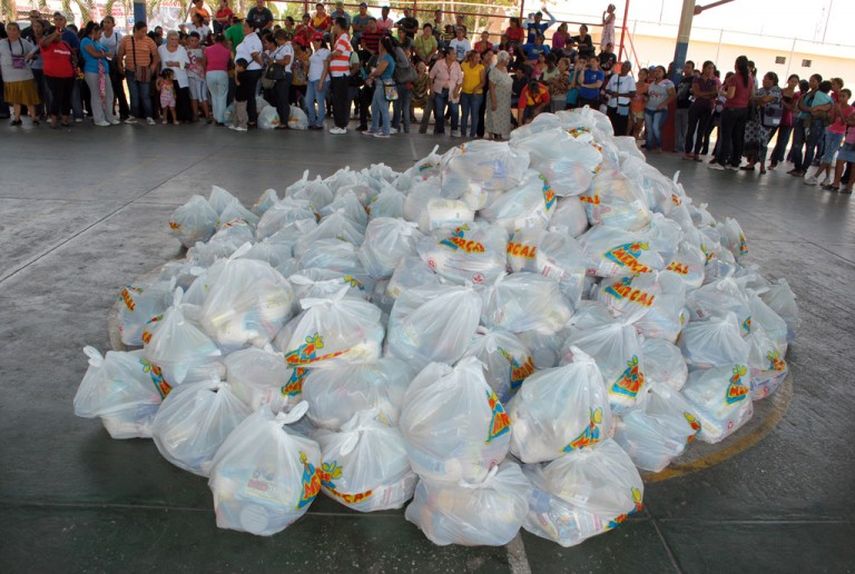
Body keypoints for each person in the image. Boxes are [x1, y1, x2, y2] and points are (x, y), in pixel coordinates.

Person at [709, 56, 752, 169]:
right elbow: (751, 95)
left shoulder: (735, 78)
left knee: (726, 136)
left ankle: (721, 162)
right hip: (743, 110)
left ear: (736, 65)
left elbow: (730, 95)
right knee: (737, 137)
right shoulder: (750, 79)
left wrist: (721, 92)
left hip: (731, 109)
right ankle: (735, 163)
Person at [788, 74, 832, 178]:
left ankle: (803, 169)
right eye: (810, 80)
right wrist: (810, 109)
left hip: (814, 123)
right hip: (801, 119)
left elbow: (828, 107)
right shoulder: (806, 94)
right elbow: (800, 105)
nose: (810, 82)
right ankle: (797, 167)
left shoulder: (822, 95)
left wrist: (812, 109)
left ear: (819, 83)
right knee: (796, 145)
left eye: (813, 81)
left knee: (810, 147)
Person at [117, 21, 159, 125]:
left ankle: (149, 116)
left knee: (145, 95)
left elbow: (155, 56)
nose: (144, 33)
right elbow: (120, 53)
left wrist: (153, 67)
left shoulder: (149, 41)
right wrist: (119, 65)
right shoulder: (126, 40)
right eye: (142, 31)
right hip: (130, 71)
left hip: (144, 71)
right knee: (134, 95)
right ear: (136, 29)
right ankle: (133, 115)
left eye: (145, 31)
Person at [742, 71, 782, 174]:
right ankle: (752, 162)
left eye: (765, 78)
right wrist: (760, 100)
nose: (763, 80)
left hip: (767, 122)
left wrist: (758, 100)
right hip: (755, 120)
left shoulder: (776, 90)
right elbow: (753, 99)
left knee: (763, 142)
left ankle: (762, 165)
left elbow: (765, 100)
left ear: (772, 80)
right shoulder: (761, 90)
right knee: (754, 142)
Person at [809, 84, 850, 186]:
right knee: (828, 155)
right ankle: (827, 178)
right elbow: (831, 121)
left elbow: (844, 122)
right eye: (840, 96)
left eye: (843, 96)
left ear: (848, 97)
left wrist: (840, 111)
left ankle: (815, 176)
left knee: (829, 154)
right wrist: (833, 113)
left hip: (839, 134)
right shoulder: (836, 106)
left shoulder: (850, 109)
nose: (841, 98)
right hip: (830, 131)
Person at [0, 22, 40, 126]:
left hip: (25, 75)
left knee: (29, 98)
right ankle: (17, 118)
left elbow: (35, 53)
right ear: (6, 31)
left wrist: (29, 56)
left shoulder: (24, 42)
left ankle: (34, 118)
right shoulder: (1, 43)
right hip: (8, 76)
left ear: (18, 31)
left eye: (14, 29)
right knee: (15, 99)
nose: (11, 32)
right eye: (9, 29)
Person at [79, 21, 117, 127]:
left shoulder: (98, 43)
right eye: (99, 33)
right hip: (92, 71)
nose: (101, 35)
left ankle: (109, 117)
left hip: (104, 71)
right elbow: (94, 54)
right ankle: (98, 118)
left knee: (109, 94)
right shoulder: (85, 41)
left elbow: (110, 54)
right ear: (93, 31)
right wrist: (104, 54)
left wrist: (103, 54)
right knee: (96, 95)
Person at [40, 25, 75, 128]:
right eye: (57, 35)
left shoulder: (65, 44)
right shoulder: (46, 44)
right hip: (53, 75)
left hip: (68, 75)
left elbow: (72, 55)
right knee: (57, 97)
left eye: (60, 35)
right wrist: (54, 34)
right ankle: (54, 119)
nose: (59, 36)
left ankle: (65, 119)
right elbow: (44, 43)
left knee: (66, 97)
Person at [684, 60, 718, 161]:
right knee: (691, 129)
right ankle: (687, 151)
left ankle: (696, 153)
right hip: (696, 106)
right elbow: (696, 93)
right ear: (704, 68)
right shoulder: (697, 79)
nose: (710, 70)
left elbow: (715, 94)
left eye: (712, 68)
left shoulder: (713, 81)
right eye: (709, 68)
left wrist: (703, 94)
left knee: (701, 131)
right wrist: (708, 94)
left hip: (707, 108)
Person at [363, 36, 396, 138]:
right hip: (384, 83)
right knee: (375, 107)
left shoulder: (386, 58)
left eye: (379, 44)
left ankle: (385, 131)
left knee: (383, 108)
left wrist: (369, 76)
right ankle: (375, 128)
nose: (378, 46)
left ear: (383, 45)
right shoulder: (385, 57)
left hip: (383, 84)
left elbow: (379, 71)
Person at [234, 20, 264, 125]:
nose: (243, 28)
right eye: (243, 26)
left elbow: (254, 54)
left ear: (252, 28)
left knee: (248, 96)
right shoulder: (249, 38)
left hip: (251, 70)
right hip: (249, 70)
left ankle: (251, 119)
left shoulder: (251, 38)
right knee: (248, 95)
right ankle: (249, 118)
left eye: (246, 26)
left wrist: (261, 65)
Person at [98, 16, 128, 121]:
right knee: (105, 88)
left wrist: (119, 64)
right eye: (104, 22)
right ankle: (109, 111)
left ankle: (124, 112)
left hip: (114, 63)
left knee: (118, 88)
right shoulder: (100, 35)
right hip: (103, 63)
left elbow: (120, 51)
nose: (106, 24)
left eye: (108, 22)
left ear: (113, 24)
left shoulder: (117, 35)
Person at [825, 91, 855, 193]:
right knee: (840, 160)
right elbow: (848, 121)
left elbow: (849, 121)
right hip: (849, 139)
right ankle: (835, 183)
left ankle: (849, 187)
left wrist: (844, 115)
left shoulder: (851, 109)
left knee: (854, 165)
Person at [158, 31, 192, 122]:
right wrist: (159, 76)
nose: (174, 41)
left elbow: (187, 65)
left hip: (180, 78)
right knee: (167, 98)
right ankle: (169, 118)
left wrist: (175, 64)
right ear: (167, 39)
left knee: (182, 97)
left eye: (176, 39)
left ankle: (184, 117)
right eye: (172, 39)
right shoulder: (161, 49)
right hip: (166, 79)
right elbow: (158, 62)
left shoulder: (181, 49)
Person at [429, 47, 463, 135]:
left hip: (452, 90)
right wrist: (431, 88)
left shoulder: (457, 65)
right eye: (453, 54)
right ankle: (440, 130)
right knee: (439, 112)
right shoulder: (439, 63)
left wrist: (457, 90)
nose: (455, 55)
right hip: (439, 90)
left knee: (454, 111)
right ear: (447, 55)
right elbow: (431, 76)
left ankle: (454, 130)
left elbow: (460, 80)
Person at [769, 74, 799, 170]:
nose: (793, 83)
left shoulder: (796, 95)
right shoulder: (781, 91)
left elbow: (792, 108)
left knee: (781, 142)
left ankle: (774, 162)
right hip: (775, 116)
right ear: (788, 81)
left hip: (786, 119)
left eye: (795, 82)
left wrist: (782, 101)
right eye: (792, 81)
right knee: (768, 136)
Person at [328, 17, 353, 134]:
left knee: (339, 100)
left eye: (334, 25)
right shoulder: (340, 38)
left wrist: (330, 55)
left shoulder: (343, 37)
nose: (333, 27)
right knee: (338, 100)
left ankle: (341, 126)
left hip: (340, 75)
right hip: (338, 75)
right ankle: (339, 124)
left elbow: (338, 52)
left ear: (338, 25)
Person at [644, 65, 675, 152]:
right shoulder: (652, 84)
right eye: (655, 71)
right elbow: (649, 95)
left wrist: (663, 104)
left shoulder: (667, 83)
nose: (657, 73)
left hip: (660, 109)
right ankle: (649, 146)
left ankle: (659, 145)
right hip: (648, 108)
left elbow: (673, 95)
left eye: (659, 71)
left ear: (664, 73)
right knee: (649, 128)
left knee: (655, 127)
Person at [485, 49, 513, 140]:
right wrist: (494, 101)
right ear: (502, 60)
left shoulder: (505, 69)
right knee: (494, 117)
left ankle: (500, 133)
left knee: (503, 118)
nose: (508, 61)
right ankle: (494, 134)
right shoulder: (494, 71)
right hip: (497, 98)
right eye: (507, 59)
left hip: (505, 100)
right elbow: (491, 87)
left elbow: (506, 81)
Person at [205, 32, 231, 124]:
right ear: (223, 41)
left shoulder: (207, 49)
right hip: (222, 73)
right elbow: (229, 63)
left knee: (214, 95)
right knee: (222, 96)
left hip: (210, 73)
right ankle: (221, 119)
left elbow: (205, 62)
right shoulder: (227, 51)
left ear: (214, 40)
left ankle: (216, 117)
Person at [304, 32, 329, 129]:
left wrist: (321, 82)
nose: (313, 44)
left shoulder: (325, 52)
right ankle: (312, 121)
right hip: (311, 79)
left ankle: (319, 123)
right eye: (313, 42)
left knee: (320, 101)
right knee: (308, 101)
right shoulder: (315, 53)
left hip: (320, 79)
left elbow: (326, 68)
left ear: (320, 42)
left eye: (315, 42)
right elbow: (309, 64)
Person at [459, 50, 486, 138]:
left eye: (479, 57)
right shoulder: (464, 65)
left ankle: (472, 134)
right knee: (464, 114)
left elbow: (483, 82)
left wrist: (476, 89)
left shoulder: (481, 67)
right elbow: (459, 77)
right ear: (471, 58)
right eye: (476, 57)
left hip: (476, 94)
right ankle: (463, 133)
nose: (478, 59)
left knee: (474, 115)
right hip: (465, 93)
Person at [604, 60, 635, 135]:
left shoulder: (630, 79)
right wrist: (612, 93)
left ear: (629, 69)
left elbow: (632, 94)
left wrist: (619, 95)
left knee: (621, 124)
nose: (624, 67)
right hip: (612, 104)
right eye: (623, 65)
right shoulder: (614, 77)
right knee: (610, 123)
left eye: (627, 66)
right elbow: (607, 89)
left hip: (623, 105)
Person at [186, 32, 210, 122]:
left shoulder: (203, 49)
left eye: (196, 41)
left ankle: (207, 115)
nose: (194, 43)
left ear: (199, 40)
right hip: (190, 75)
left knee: (203, 96)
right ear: (189, 40)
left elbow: (204, 62)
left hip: (201, 77)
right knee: (194, 96)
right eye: (192, 40)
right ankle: (196, 115)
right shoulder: (185, 49)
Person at [673, 60, 695, 153]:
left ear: (692, 69)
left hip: (688, 107)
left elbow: (695, 94)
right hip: (679, 106)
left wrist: (691, 102)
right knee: (678, 128)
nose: (686, 69)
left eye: (688, 67)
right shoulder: (682, 80)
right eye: (685, 67)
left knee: (685, 128)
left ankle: (686, 147)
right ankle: (678, 146)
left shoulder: (694, 80)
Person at [629, 67, 648, 139]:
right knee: (629, 127)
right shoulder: (633, 84)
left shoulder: (648, 86)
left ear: (646, 76)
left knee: (637, 129)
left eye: (644, 74)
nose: (641, 76)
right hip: (632, 108)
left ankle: (634, 142)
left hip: (641, 110)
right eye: (640, 74)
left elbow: (648, 99)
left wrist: (646, 98)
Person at [231, 57, 249, 131]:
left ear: (241, 67)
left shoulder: (244, 74)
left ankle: (243, 125)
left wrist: (235, 75)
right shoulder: (241, 73)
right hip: (238, 95)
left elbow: (238, 83)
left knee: (241, 111)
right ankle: (235, 124)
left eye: (236, 66)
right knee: (236, 110)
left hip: (242, 97)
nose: (235, 67)